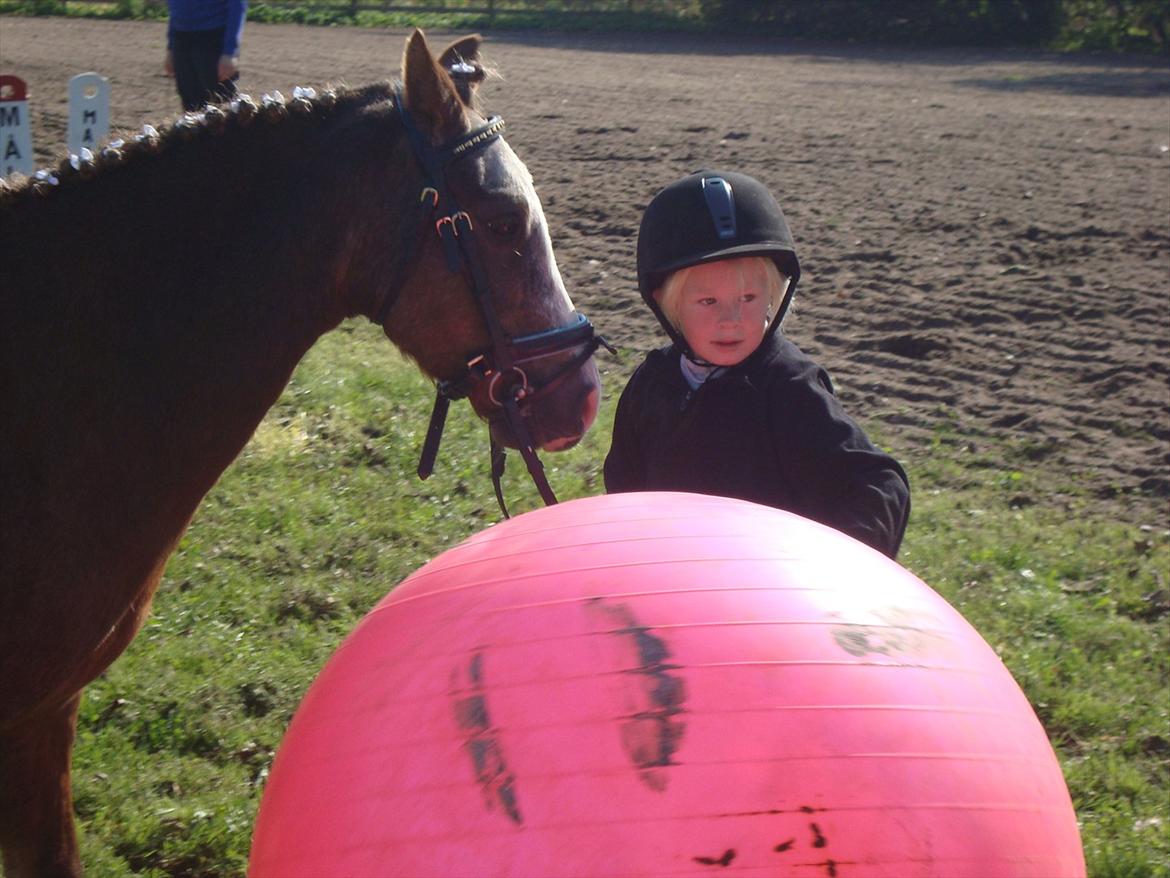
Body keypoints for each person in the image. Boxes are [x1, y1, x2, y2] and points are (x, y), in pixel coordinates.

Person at [604, 169, 910, 558]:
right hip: (674, 583)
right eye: (708, 302)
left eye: (748, 298)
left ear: (774, 298)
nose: (730, 319)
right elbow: (623, 491)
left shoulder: (790, 388)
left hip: (767, 594)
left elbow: (878, 485)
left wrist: (835, 567)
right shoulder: (653, 384)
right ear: (668, 305)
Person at [164, 0, 247, 112]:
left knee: (222, 103)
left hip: (212, 39)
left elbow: (237, 6)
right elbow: (175, 9)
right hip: (181, 39)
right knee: (191, 105)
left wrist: (230, 52)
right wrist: (171, 48)